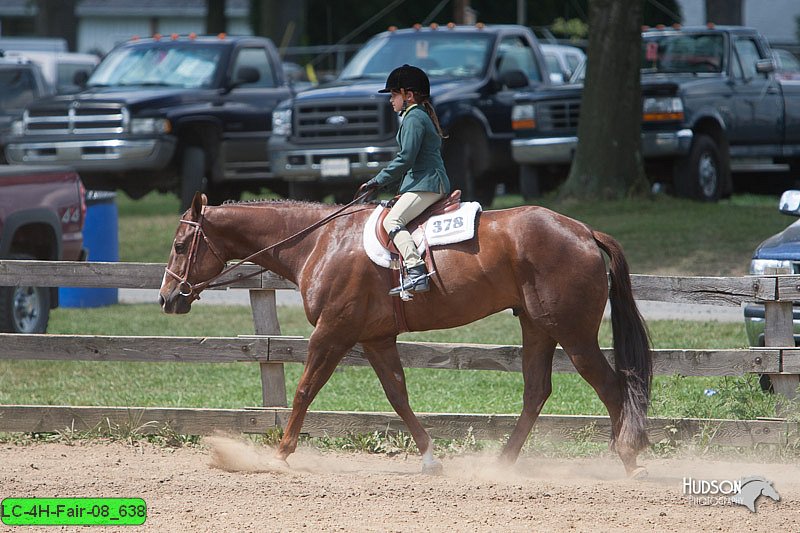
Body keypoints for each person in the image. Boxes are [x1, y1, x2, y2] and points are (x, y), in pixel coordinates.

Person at [362, 64, 451, 296]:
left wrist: (377, 181)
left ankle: (416, 270)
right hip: (424, 182)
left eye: (393, 94)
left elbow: (406, 159)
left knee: (392, 222)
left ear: (408, 95)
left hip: (428, 183)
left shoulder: (413, 118)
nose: (391, 100)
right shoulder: (416, 115)